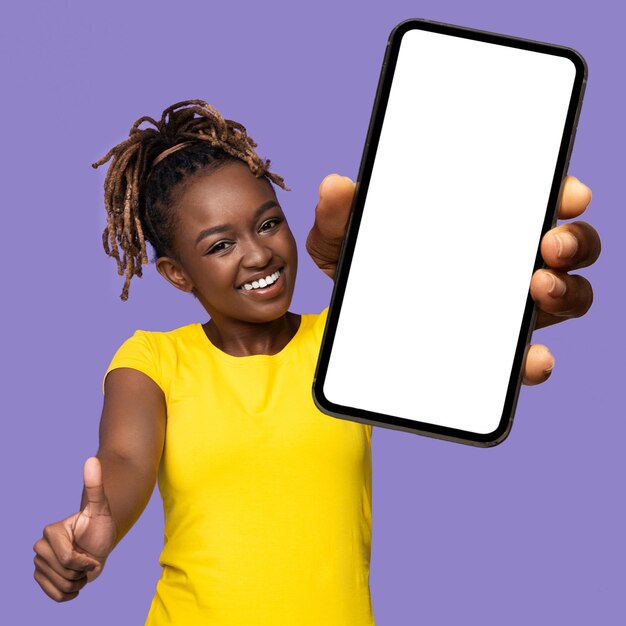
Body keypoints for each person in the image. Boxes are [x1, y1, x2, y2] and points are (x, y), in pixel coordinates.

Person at [32, 100, 600, 625]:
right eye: (219, 244)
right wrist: (97, 530)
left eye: (267, 222)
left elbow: (445, 325)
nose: (258, 253)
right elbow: (127, 458)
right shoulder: (154, 357)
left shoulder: (345, 340)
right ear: (177, 274)